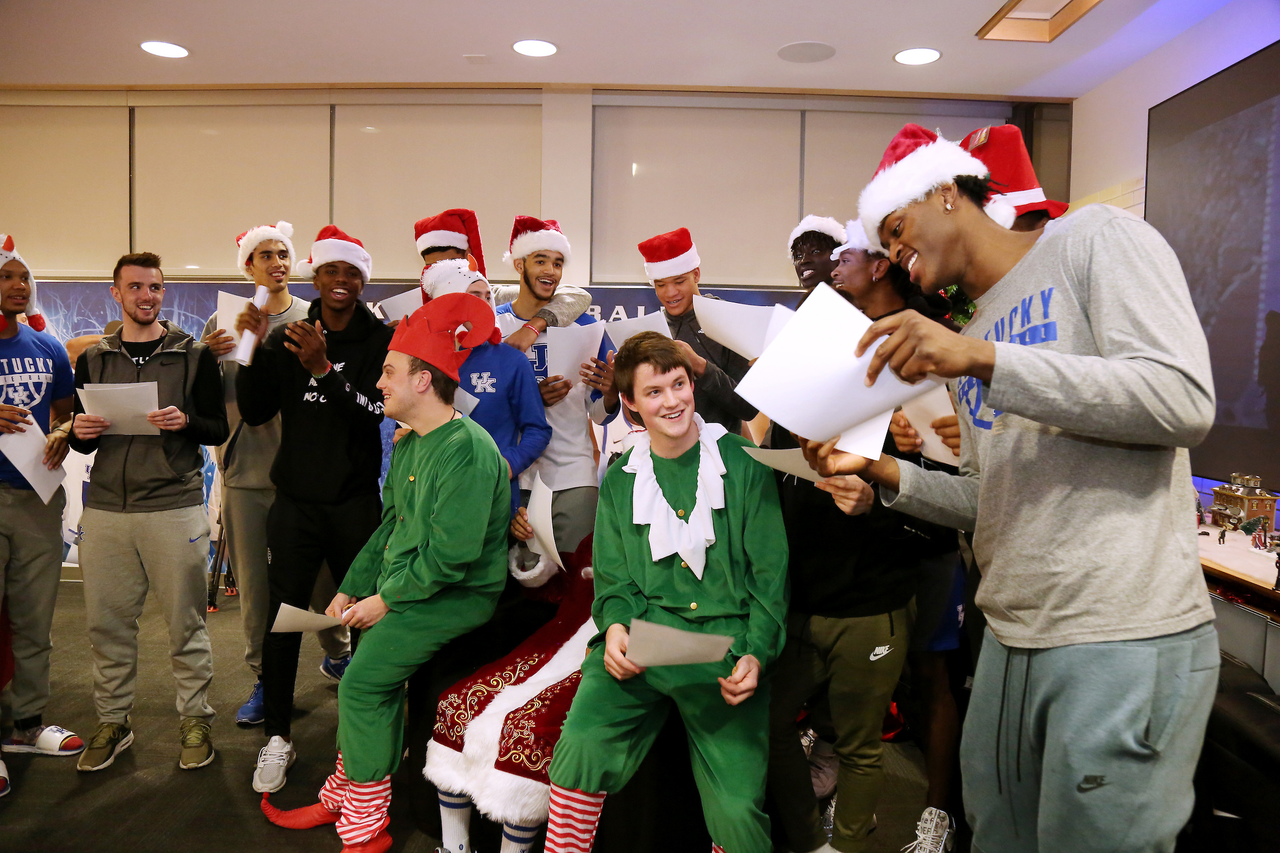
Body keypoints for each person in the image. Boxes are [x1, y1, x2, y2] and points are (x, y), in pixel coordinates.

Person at [804, 123, 1219, 853]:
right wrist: (883, 472)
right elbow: (985, 497)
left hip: (1116, 630)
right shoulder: (975, 328)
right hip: (1009, 637)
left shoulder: (1094, 240)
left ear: (945, 191)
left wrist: (987, 359)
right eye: (883, 242)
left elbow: (1183, 399)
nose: (895, 251)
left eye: (897, 228)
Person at [261, 292, 512, 853]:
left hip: (456, 594)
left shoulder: (466, 450)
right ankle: (348, 793)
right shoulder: (409, 445)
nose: (379, 383)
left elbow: (453, 559)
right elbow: (387, 530)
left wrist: (385, 600)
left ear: (424, 381)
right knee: (365, 684)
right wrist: (354, 584)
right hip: (414, 585)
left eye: (390, 373)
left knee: (362, 682)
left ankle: (364, 822)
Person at [544, 331, 789, 853]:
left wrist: (756, 654)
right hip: (645, 641)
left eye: (679, 384)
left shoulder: (743, 461)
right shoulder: (621, 479)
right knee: (576, 755)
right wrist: (613, 628)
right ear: (630, 405)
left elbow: (770, 577)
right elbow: (613, 579)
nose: (673, 401)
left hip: (726, 647)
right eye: (654, 392)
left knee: (738, 813)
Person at [234, 225, 393, 793]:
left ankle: (370, 736)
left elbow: (373, 412)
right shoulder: (289, 335)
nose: (341, 282)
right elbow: (254, 413)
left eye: (352, 273)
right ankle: (278, 735)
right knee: (283, 621)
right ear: (316, 276)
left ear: (362, 279)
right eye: (331, 271)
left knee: (369, 622)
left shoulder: (381, 338)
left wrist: (325, 370)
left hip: (354, 505)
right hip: (294, 506)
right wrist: (251, 346)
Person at [69, 251, 229, 773]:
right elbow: (82, 439)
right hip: (107, 512)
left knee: (186, 626)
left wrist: (185, 421)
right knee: (107, 626)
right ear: (116, 294)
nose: (146, 296)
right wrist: (79, 432)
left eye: (155, 288)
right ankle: (113, 720)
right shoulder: (93, 359)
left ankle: (195, 720)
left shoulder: (193, 354)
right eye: (135, 287)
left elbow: (216, 429)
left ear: (164, 293)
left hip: (173, 507)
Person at [200, 221, 351, 729]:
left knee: (327, 582)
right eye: (264, 255)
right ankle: (265, 677)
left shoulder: (318, 316)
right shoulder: (224, 323)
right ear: (248, 266)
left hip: (312, 476)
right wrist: (215, 358)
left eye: (283, 253)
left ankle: (341, 651)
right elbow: (211, 402)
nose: (276, 262)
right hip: (247, 474)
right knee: (258, 589)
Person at [0, 235, 84, 770]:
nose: (18, 285)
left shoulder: (47, 346)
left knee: (35, 618)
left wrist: (64, 432)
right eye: (6, 276)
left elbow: (64, 414)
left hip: (36, 498)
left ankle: (28, 723)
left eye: (23, 277)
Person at [494, 215, 618, 556]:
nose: (550, 271)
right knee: (513, 587)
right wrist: (530, 399)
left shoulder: (587, 326)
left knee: (577, 583)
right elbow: (475, 402)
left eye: (558, 262)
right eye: (540, 261)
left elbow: (599, 414)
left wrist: (609, 392)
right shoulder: (493, 322)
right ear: (519, 264)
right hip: (509, 474)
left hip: (572, 473)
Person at [418, 259, 550, 518]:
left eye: (488, 296)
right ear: (449, 300)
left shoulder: (511, 360)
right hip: (430, 490)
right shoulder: (422, 360)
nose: (484, 304)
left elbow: (538, 430)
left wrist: (508, 465)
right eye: (473, 296)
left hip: (492, 493)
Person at [413, 208, 590, 351]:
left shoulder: (489, 299)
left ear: (469, 258)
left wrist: (532, 327)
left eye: (557, 264)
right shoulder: (433, 308)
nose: (442, 272)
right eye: (431, 267)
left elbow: (577, 295)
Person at [637, 227, 758, 436]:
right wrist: (621, 387)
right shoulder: (651, 332)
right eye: (661, 284)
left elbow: (748, 408)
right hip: (669, 456)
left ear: (696, 274)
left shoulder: (727, 320)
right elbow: (642, 419)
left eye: (679, 281)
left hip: (724, 455)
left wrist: (700, 367)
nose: (670, 292)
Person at [788, 216, 845, 289]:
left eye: (815, 251)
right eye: (798, 256)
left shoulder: (852, 299)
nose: (803, 261)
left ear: (839, 256)